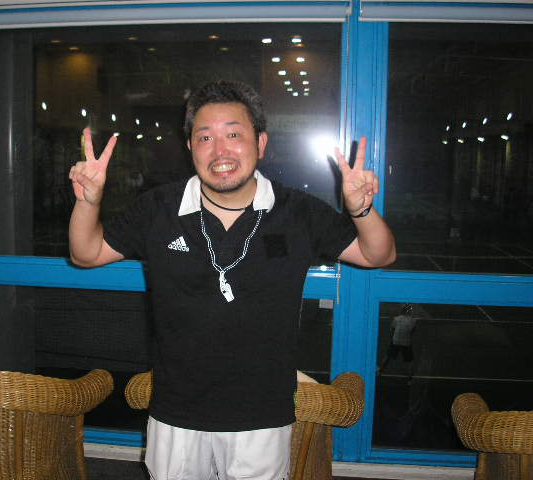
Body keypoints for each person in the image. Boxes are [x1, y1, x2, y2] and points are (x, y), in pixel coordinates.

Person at [69, 80, 396, 480]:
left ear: (261, 143)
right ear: (190, 147)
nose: (220, 151)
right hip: (177, 411)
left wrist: (361, 210)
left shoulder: (298, 212)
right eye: (205, 137)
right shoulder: (159, 208)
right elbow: (86, 254)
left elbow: (378, 254)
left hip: (262, 414)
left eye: (234, 135)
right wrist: (88, 202)